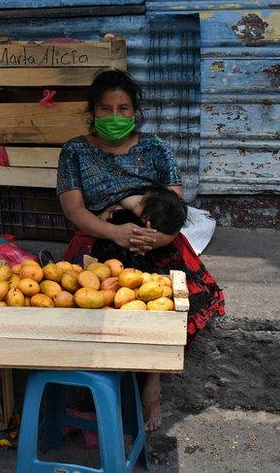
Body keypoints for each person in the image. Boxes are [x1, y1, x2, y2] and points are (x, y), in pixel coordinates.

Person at [57, 69, 225, 431]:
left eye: (123, 108)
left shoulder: (155, 148)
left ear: (134, 112)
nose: (114, 116)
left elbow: (175, 205)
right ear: (93, 111)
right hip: (100, 239)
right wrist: (115, 233)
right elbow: (75, 210)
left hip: (157, 237)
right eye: (105, 108)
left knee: (165, 302)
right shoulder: (75, 150)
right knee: (100, 303)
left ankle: (152, 379)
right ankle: (103, 387)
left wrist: (160, 238)